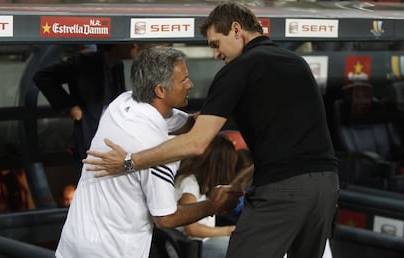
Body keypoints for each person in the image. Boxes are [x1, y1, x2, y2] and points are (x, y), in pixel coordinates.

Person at [84, 2, 340, 258]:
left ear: (236, 30)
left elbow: (196, 142)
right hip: (327, 187)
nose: (216, 54)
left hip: (282, 192)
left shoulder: (239, 68)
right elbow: (291, 153)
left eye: (216, 43)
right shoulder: (297, 62)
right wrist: (238, 185)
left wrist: (129, 162)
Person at [55, 46, 240, 258]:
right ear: (160, 90)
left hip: (73, 245)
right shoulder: (160, 150)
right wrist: (214, 205)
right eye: (183, 81)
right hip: (113, 252)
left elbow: (191, 124)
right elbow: (166, 218)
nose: (190, 85)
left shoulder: (123, 103)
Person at [33, 44, 133, 166]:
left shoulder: (117, 64)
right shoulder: (84, 61)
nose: (132, 46)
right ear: (115, 45)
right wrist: (69, 106)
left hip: (113, 132)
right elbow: (42, 77)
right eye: (128, 43)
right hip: (90, 132)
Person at [175, 134, 238, 239]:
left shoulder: (199, 183)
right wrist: (229, 231)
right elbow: (191, 228)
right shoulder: (190, 183)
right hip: (191, 246)